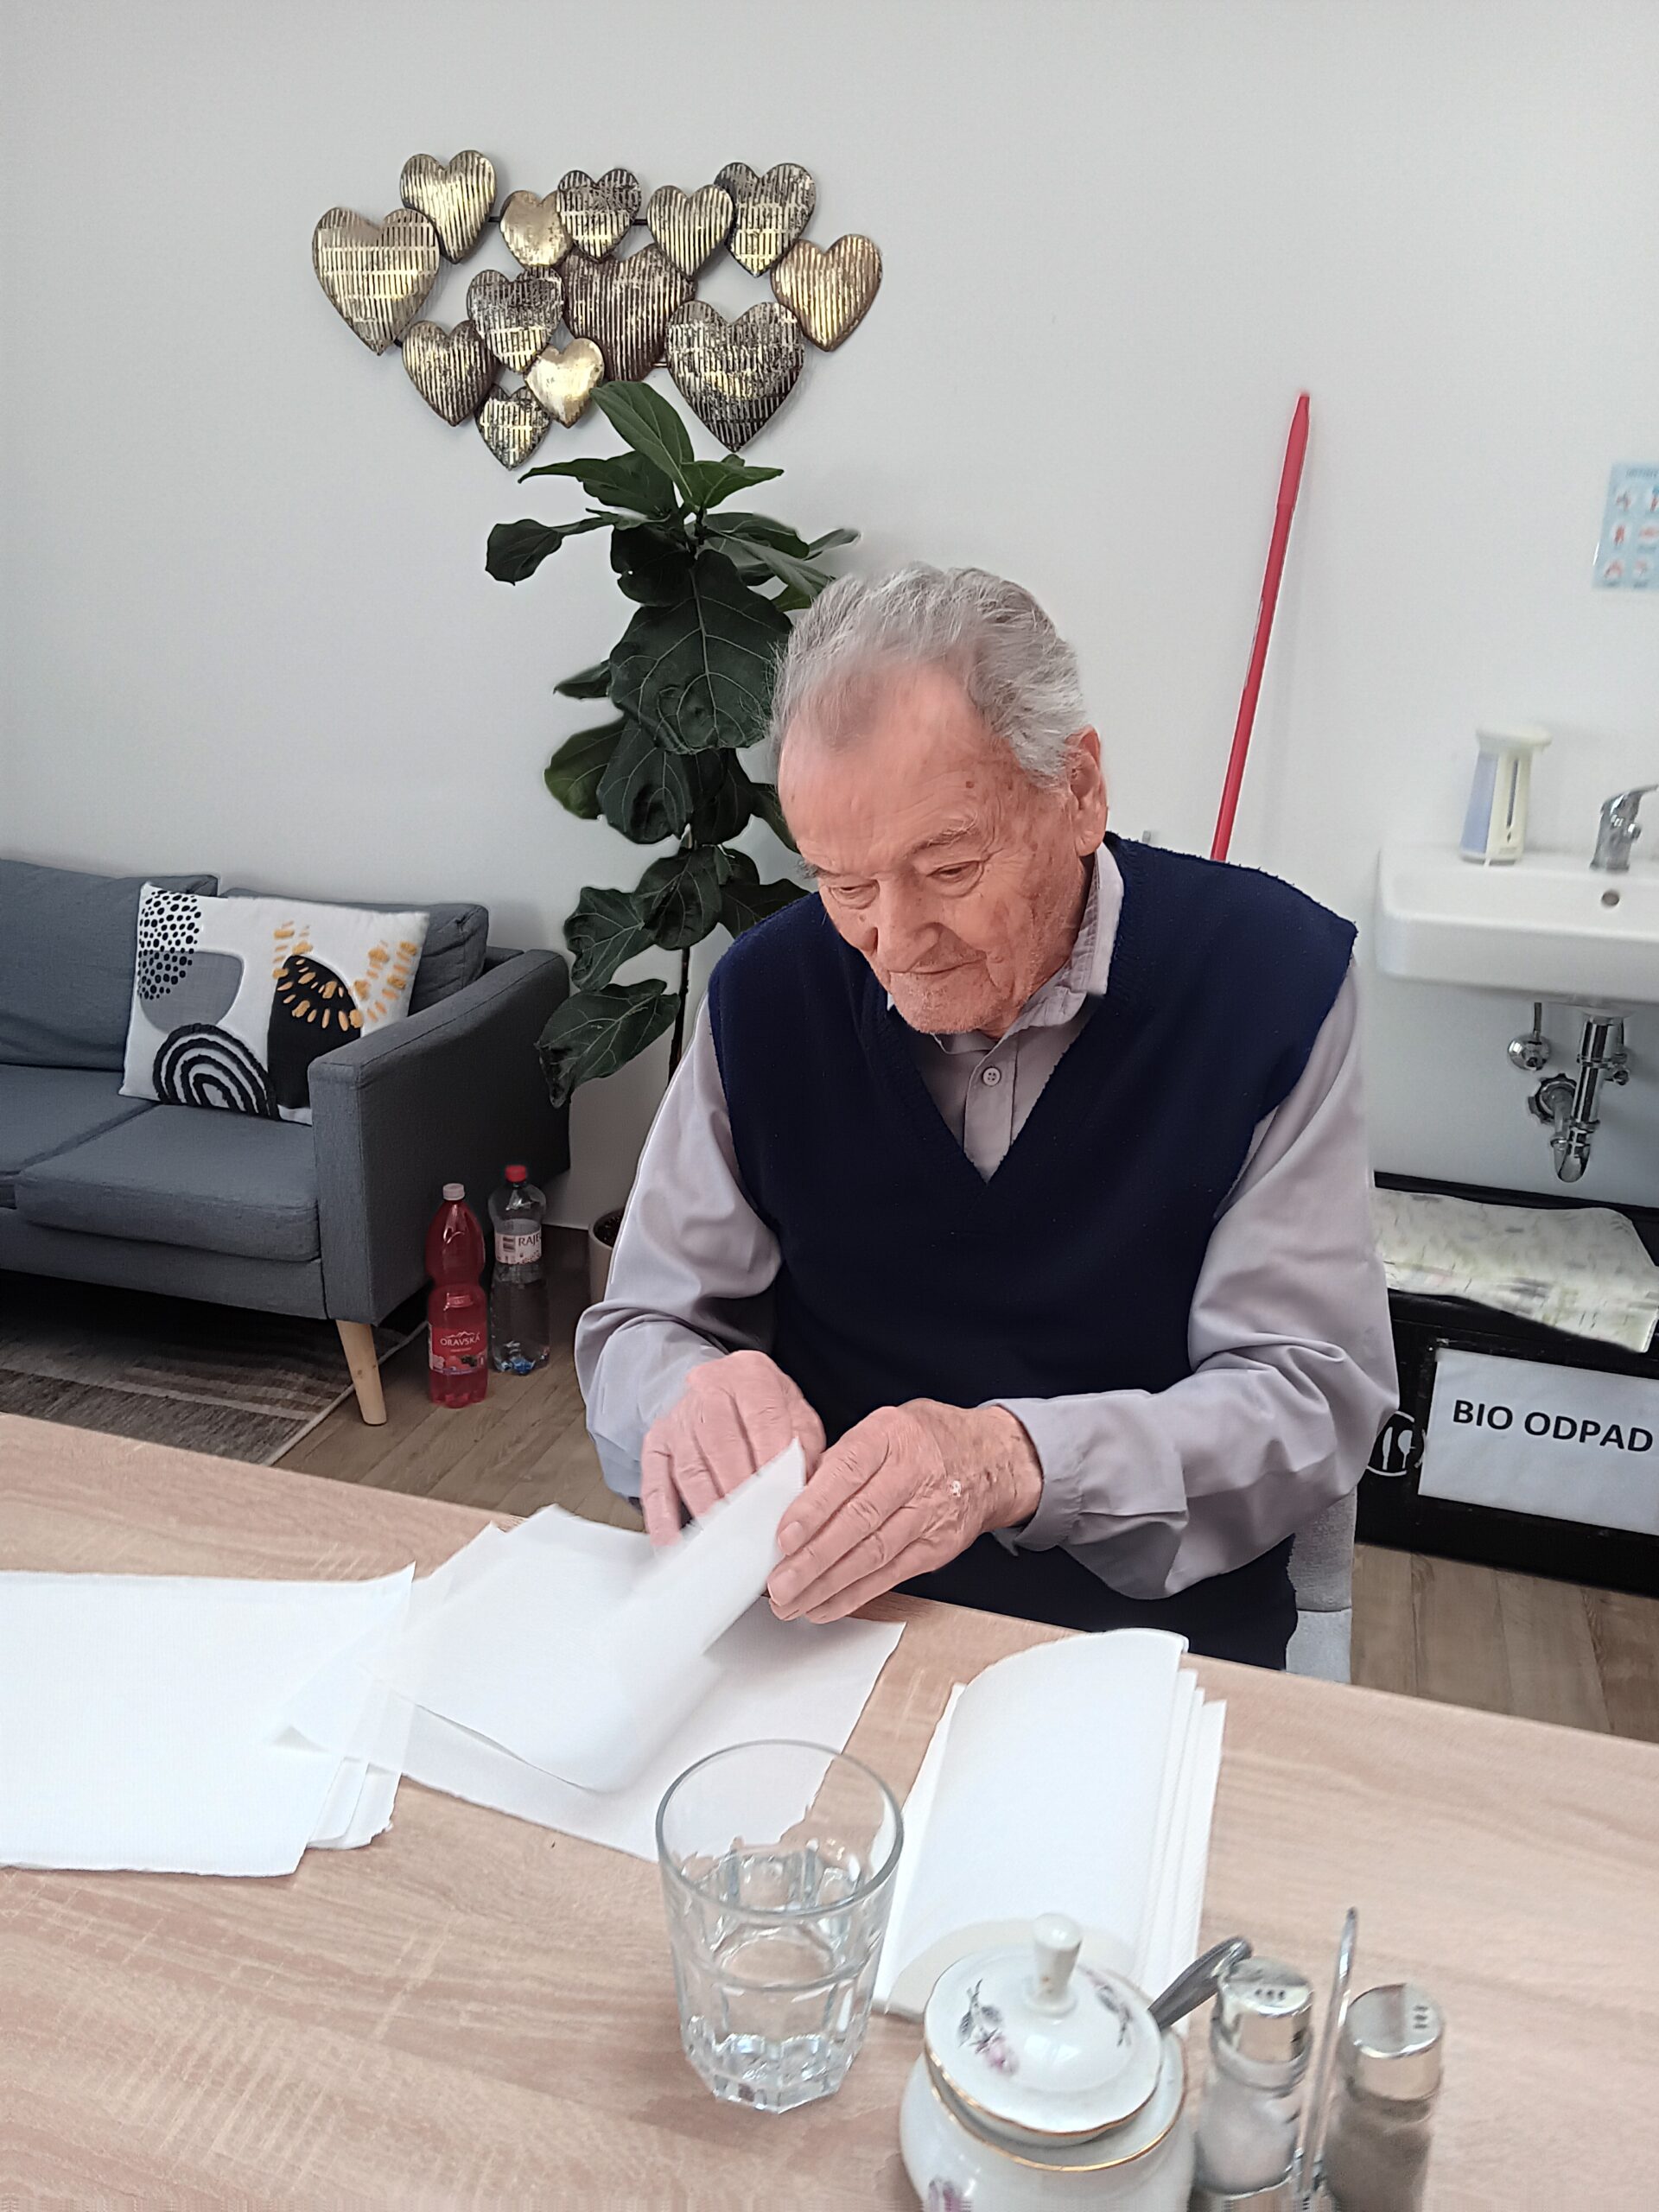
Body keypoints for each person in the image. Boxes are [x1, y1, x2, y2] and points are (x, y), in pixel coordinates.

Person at [575, 565, 1397, 1669]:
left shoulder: (1270, 985)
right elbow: (642, 1326)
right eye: (843, 883)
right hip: (826, 1630)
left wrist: (1015, 1461)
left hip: (1150, 1651)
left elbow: (1307, 1393)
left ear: (1079, 791)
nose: (893, 937)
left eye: (949, 866)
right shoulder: (767, 996)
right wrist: (691, 1394)